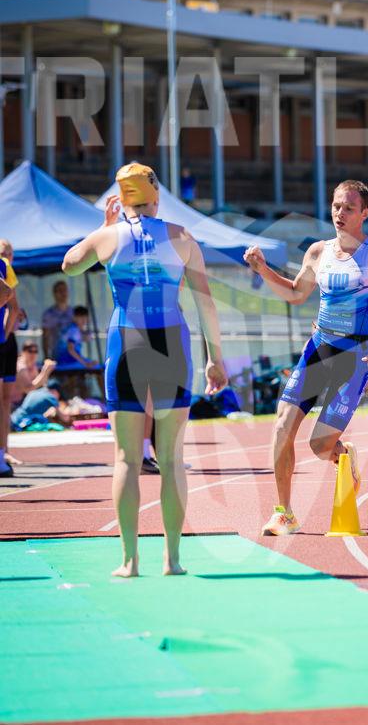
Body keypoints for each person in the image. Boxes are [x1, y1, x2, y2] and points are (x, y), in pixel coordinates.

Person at [62, 162, 227, 577]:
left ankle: (129, 561)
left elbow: (70, 265)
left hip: (126, 341)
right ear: (156, 197)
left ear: (122, 199)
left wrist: (103, 228)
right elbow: (205, 303)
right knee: (172, 459)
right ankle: (173, 559)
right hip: (171, 342)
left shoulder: (107, 237)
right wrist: (215, 358)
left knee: (126, 459)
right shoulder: (182, 236)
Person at [243, 179, 368, 536]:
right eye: (336, 206)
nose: (340, 213)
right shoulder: (318, 252)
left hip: (355, 357)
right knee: (282, 425)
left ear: (364, 213)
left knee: (320, 446)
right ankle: (284, 513)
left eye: (349, 208)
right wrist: (263, 270)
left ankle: (342, 453)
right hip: (318, 348)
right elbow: (295, 293)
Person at [0, 240, 19, 476]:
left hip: (5, 340)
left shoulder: (5, 267)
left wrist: (5, 332)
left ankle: (3, 451)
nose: (7, 255)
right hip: (4, 338)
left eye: (9, 252)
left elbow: (11, 298)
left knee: (5, 401)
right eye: (3, 252)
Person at [12, 341, 57, 406]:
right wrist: (44, 372)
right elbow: (28, 389)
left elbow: (40, 384)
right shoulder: (21, 367)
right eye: (30, 351)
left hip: (26, 398)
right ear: (23, 352)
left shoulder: (32, 364)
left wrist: (47, 372)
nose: (33, 354)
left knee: (54, 388)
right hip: (16, 403)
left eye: (35, 351)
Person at [54, 305, 97, 369]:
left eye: (85, 317)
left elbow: (85, 338)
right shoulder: (74, 330)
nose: (84, 319)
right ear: (74, 318)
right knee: (97, 367)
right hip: (66, 362)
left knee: (96, 364)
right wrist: (85, 364)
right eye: (80, 317)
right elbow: (70, 349)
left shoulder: (75, 329)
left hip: (69, 360)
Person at [42, 280, 74, 360]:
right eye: (60, 290)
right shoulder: (49, 314)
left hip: (74, 356)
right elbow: (45, 337)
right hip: (57, 357)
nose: (63, 293)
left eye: (65, 290)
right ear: (55, 294)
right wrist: (46, 357)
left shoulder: (73, 312)